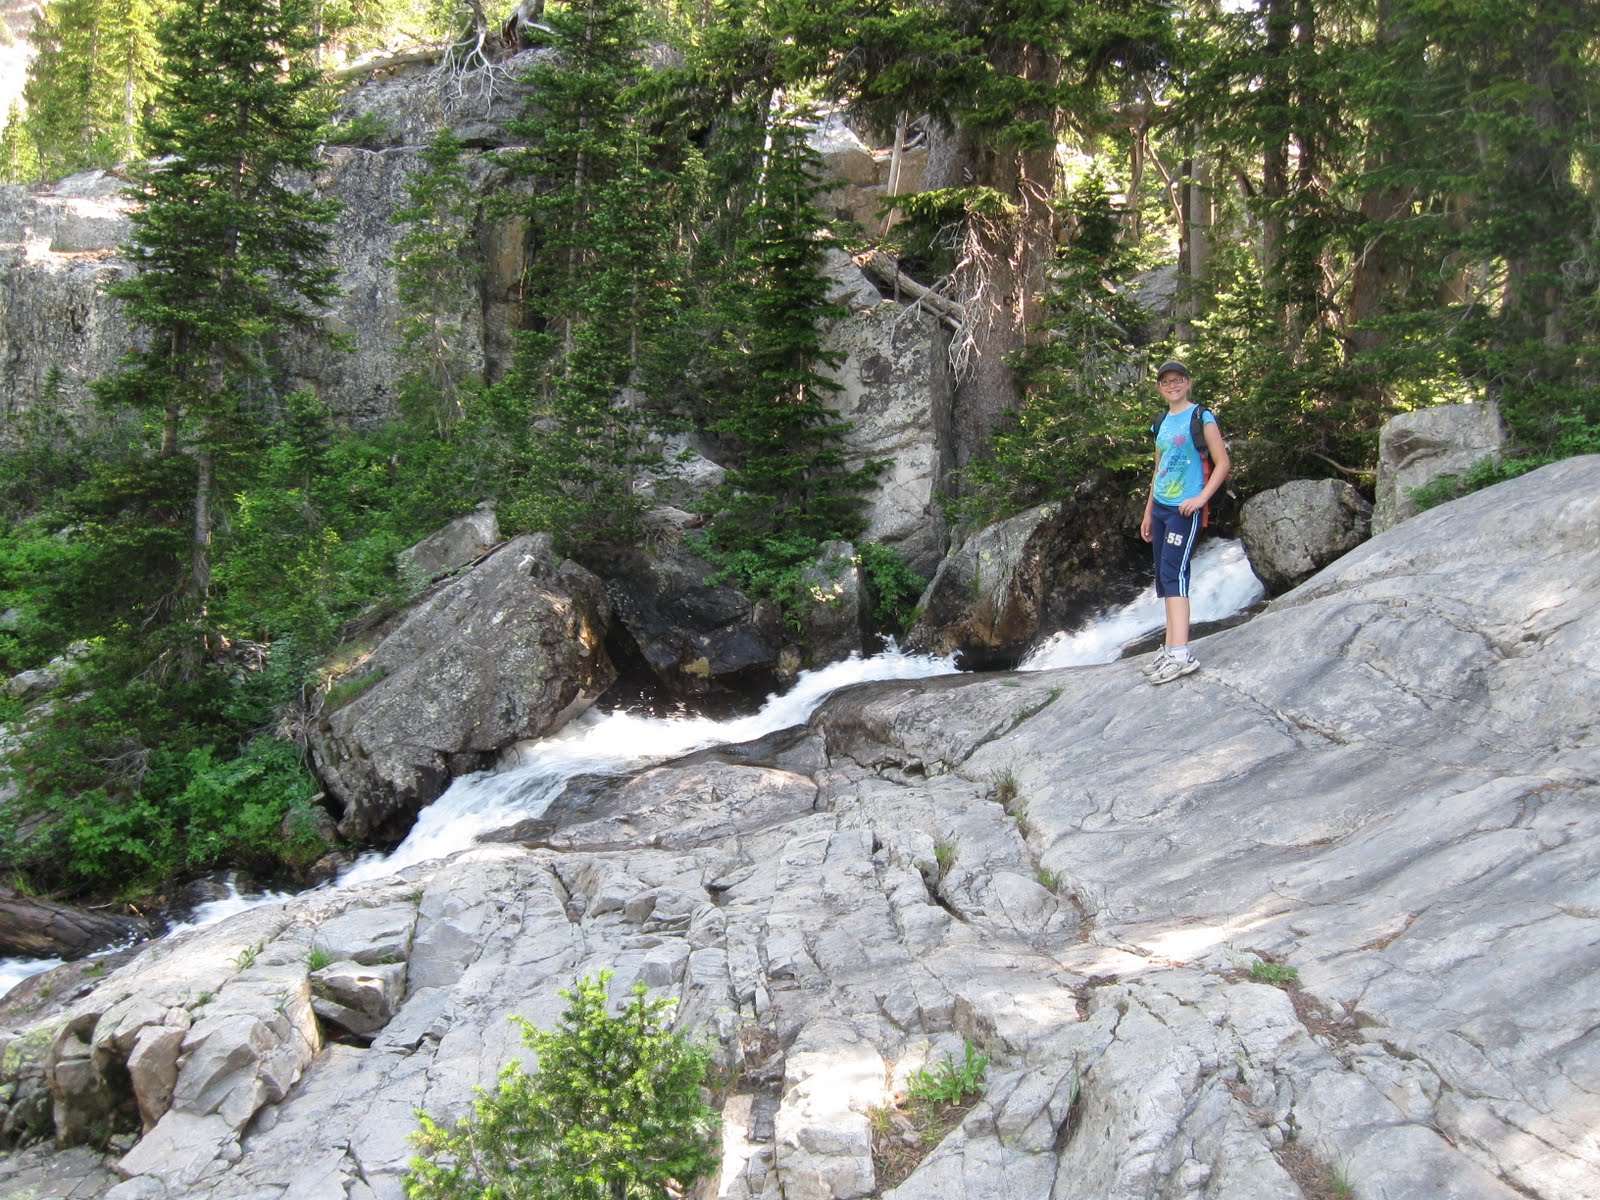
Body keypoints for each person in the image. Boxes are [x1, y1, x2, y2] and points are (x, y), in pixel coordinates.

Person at [1139, 359, 1230, 685]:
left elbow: (1222, 463)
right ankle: (1170, 646)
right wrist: (1148, 511)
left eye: (1178, 380)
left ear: (1188, 382)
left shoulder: (1201, 417)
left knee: (1174, 574)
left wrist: (1202, 498)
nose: (1172, 385)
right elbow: (1158, 469)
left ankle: (1181, 654)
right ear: (1160, 387)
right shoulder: (1161, 421)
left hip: (1184, 510)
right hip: (1162, 509)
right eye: (1166, 381)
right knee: (1165, 577)